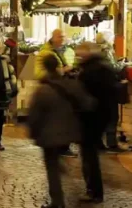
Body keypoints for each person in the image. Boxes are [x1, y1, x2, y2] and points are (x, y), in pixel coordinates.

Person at [28, 53, 94, 208]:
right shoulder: (70, 84)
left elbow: (34, 115)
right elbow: (88, 103)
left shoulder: (42, 89)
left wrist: (34, 133)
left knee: (51, 167)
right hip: (70, 132)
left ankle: (57, 201)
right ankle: (61, 169)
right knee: (55, 161)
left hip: (49, 135)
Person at [76, 41, 117, 204]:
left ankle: (94, 191)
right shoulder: (104, 66)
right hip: (101, 116)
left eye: (80, 52)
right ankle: (94, 190)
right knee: (90, 153)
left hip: (90, 117)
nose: (78, 55)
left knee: (89, 155)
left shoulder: (90, 71)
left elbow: (84, 95)